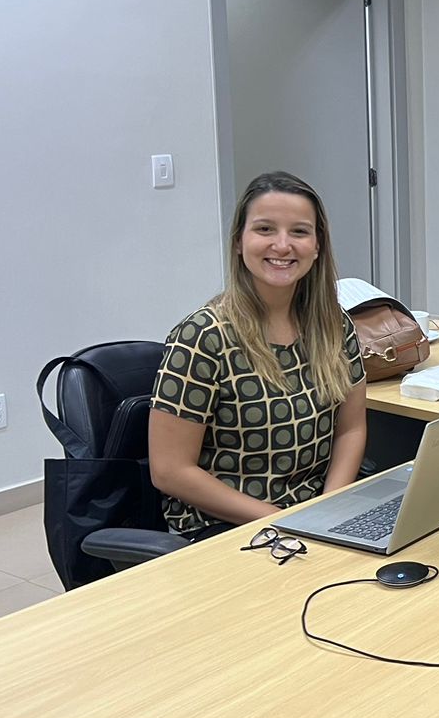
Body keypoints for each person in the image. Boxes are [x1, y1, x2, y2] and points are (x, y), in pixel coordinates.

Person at [149, 171, 368, 538]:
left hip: (312, 513)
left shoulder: (334, 325)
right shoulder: (203, 336)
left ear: (317, 246)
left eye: (299, 231)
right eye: (265, 229)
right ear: (238, 242)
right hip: (224, 525)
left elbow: (351, 429)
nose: (282, 246)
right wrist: (286, 523)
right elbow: (169, 470)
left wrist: (329, 511)